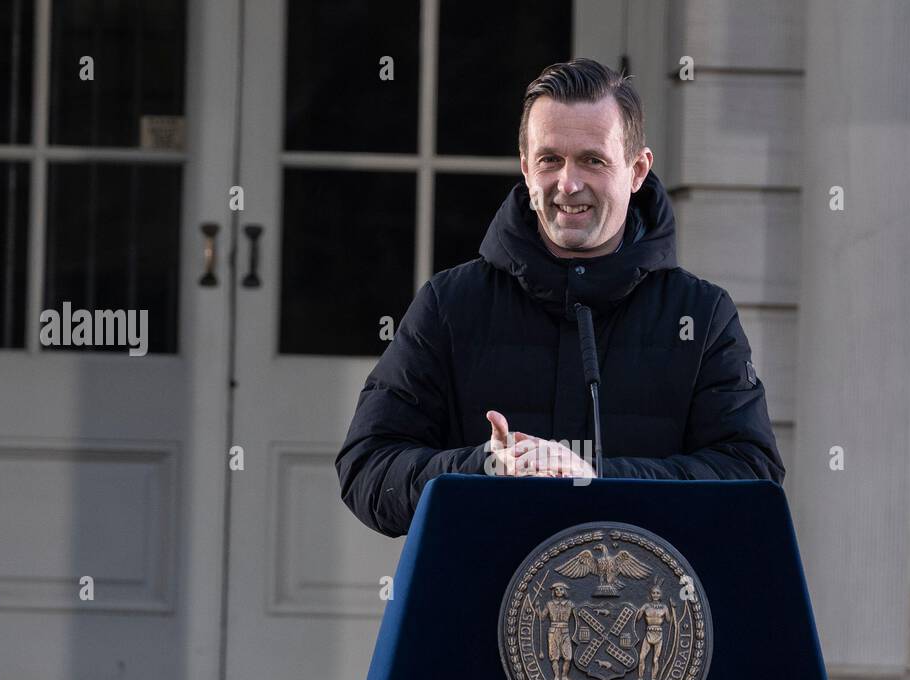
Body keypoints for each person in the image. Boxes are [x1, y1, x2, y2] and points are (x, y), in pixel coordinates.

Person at [335, 58, 784, 538]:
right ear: (526, 168)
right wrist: (484, 468)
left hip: (645, 588)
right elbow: (367, 468)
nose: (568, 184)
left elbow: (751, 476)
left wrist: (597, 478)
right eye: (549, 159)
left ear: (637, 170)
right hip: (484, 585)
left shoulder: (701, 315)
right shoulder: (449, 304)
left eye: (592, 160)